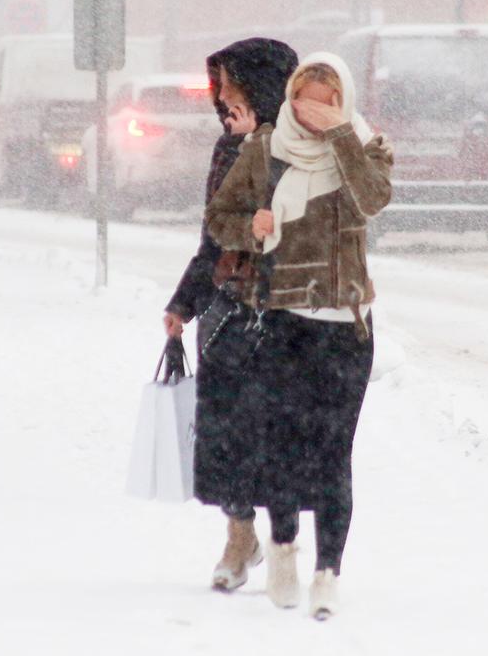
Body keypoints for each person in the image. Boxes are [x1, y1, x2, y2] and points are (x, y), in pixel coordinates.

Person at [205, 53, 393, 619]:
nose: (312, 113)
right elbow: (219, 217)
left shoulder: (366, 148)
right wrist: (250, 226)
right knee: (284, 449)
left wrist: (340, 136)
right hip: (284, 321)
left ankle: (328, 574)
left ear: (344, 102)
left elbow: (371, 200)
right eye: (303, 101)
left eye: (325, 103)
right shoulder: (266, 149)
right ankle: (283, 549)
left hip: (346, 326)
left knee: (334, 454)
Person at [162, 38, 298, 592]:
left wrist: (256, 150)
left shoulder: (303, 145)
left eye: (230, 85)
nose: (221, 97)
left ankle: (286, 545)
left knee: (280, 434)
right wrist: (184, 302)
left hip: (289, 308)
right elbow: (213, 237)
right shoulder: (227, 146)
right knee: (227, 432)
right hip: (232, 307)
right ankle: (239, 535)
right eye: (218, 86)